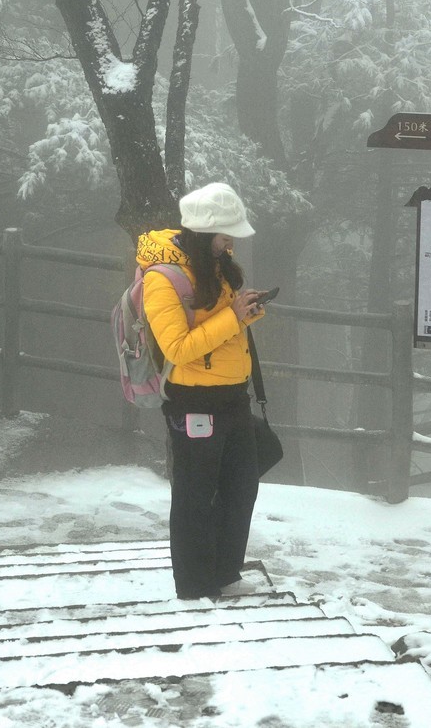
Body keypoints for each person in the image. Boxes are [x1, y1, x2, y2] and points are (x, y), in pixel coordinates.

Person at [136, 182, 266, 600]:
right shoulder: (163, 279)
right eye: (226, 235)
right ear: (204, 233)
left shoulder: (218, 265)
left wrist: (244, 313)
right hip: (194, 400)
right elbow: (177, 348)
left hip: (233, 396)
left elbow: (219, 331)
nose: (232, 242)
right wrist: (234, 318)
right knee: (195, 494)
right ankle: (194, 586)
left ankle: (225, 574)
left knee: (241, 485)